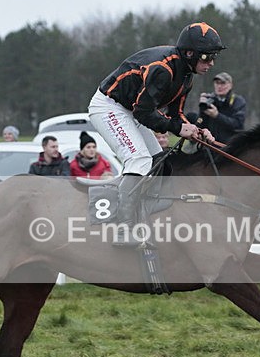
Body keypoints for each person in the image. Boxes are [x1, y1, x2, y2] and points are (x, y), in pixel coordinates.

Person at [88, 22, 224, 245]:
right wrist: (179, 128)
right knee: (139, 159)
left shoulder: (187, 74)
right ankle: (123, 229)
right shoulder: (163, 69)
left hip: (130, 109)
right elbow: (143, 113)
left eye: (214, 57)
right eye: (207, 57)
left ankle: (145, 218)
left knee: (157, 160)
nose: (211, 63)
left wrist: (196, 130)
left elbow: (175, 114)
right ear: (190, 53)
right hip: (110, 106)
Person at [192, 71, 246, 144]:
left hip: (229, 146)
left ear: (230, 85)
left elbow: (238, 125)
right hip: (209, 144)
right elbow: (201, 124)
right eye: (217, 83)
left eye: (223, 83)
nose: (219, 86)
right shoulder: (210, 100)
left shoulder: (238, 101)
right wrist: (202, 108)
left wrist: (217, 115)